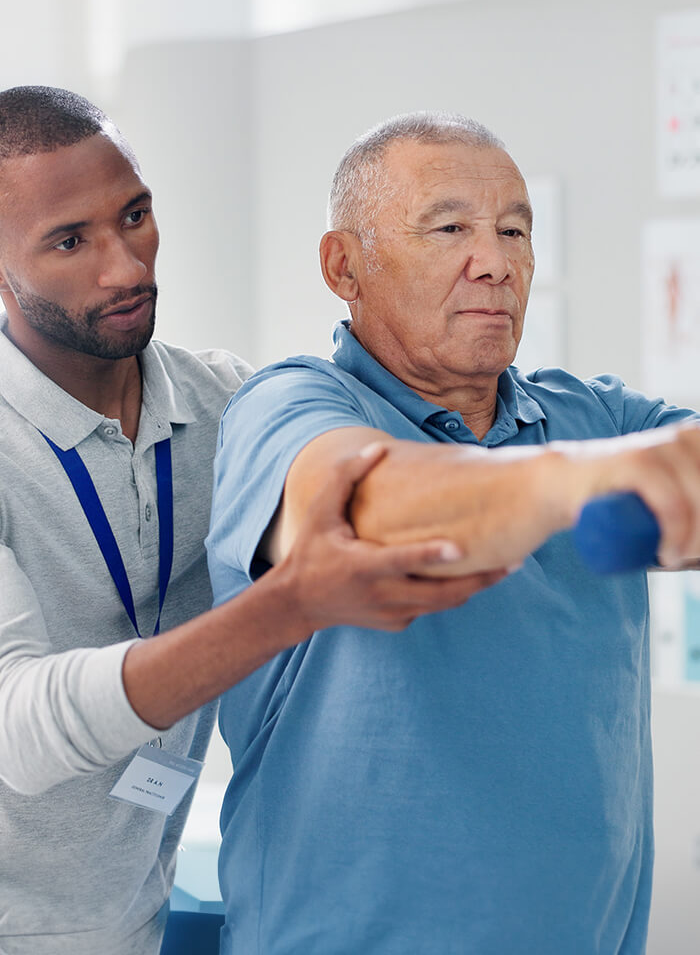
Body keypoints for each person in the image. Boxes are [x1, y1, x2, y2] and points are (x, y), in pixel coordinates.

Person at [0, 89, 501, 955]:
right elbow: (20, 730)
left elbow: (365, 472)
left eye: (136, 215)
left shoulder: (228, 399)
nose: (126, 267)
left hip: (135, 921)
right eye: (70, 241)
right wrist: (290, 605)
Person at [207, 111, 700, 954]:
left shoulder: (595, 416)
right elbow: (366, 509)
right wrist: (586, 479)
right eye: (450, 228)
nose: (497, 261)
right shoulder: (290, 405)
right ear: (344, 266)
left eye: (515, 229)